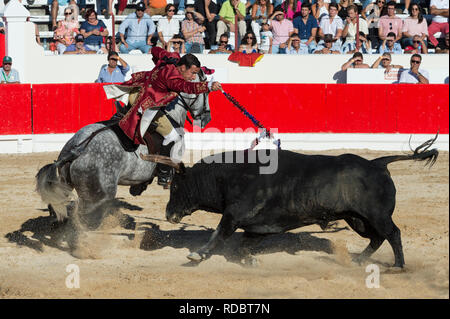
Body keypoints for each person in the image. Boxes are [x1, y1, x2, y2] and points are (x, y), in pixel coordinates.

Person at [104, 47, 223, 187]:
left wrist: (165, 58)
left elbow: (155, 50)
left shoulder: (170, 60)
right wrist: (208, 85)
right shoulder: (173, 77)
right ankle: (164, 174)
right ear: (183, 67)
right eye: (192, 73)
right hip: (146, 102)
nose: (192, 78)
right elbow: (186, 87)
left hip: (135, 91)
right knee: (175, 137)